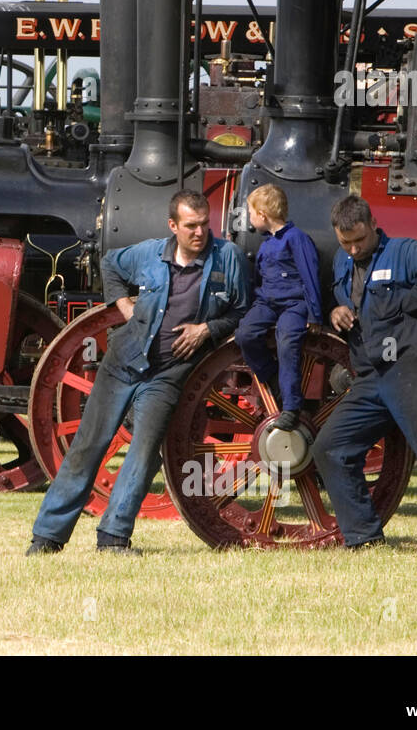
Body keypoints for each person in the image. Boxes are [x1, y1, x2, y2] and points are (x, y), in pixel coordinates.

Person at [27, 190, 250, 555]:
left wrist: (206, 330)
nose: (200, 233)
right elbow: (110, 262)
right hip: (123, 364)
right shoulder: (148, 253)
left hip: (169, 374)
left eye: (205, 225)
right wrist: (122, 303)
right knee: (87, 446)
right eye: (191, 226)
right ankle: (47, 538)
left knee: (144, 454)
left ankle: (114, 538)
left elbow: (242, 311)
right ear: (172, 226)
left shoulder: (229, 258)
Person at [314, 194, 417, 549]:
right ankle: (363, 537)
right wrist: (337, 312)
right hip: (370, 374)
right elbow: (343, 301)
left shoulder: (404, 251)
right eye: (345, 242)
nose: (352, 249)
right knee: (330, 448)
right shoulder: (341, 261)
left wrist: (406, 304)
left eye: (359, 240)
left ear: (374, 226)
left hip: (413, 365)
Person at [234, 184, 322, 431]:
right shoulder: (266, 245)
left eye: (251, 213)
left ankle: (291, 407)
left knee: (287, 342)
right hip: (267, 303)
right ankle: (271, 375)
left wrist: (315, 314)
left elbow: (310, 276)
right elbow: (259, 280)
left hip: (294, 304)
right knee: (244, 334)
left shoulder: (297, 239)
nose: (250, 219)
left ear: (262, 215)